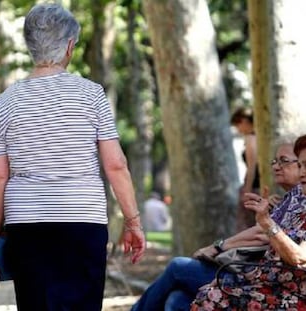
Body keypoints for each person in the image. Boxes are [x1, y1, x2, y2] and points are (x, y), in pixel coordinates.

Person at [0, 3, 146, 311]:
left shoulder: (3, 103)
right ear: (70, 46)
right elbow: (115, 165)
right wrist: (133, 221)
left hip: (26, 222)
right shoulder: (91, 94)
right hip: (83, 218)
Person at [131, 136, 300, 311]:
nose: (275, 166)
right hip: (252, 273)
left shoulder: (298, 204)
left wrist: (218, 247)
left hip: (261, 282)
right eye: (275, 161)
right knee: (177, 299)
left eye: (284, 161)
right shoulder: (289, 200)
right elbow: (261, 233)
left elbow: (264, 236)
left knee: (178, 267)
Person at [191, 134, 306, 310]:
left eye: (284, 161)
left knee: (194, 284)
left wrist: (218, 247)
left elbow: (299, 258)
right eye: (301, 165)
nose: (303, 172)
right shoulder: (295, 201)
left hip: (289, 295)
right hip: (262, 280)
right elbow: (265, 236)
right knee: (193, 294)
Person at [231, 106, 259, 231]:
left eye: (237, 124)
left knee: (246, 226)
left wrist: (246, 191)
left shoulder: (250, 139)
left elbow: (251, 167)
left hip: (254, 187)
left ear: (244, 121)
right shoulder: (260, 137)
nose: (238, 128)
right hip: (259, 186)